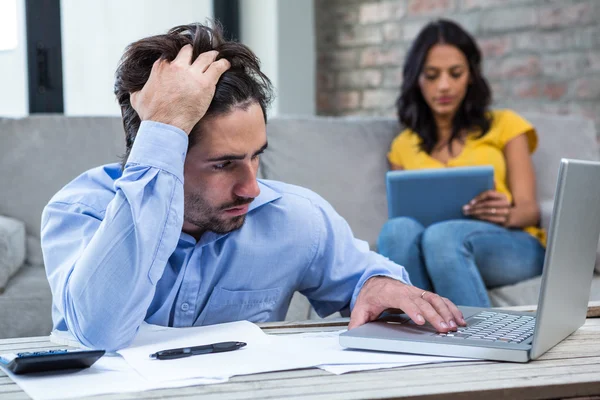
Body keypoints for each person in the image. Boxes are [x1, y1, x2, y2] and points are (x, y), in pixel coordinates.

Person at [41, 23, 465, 351]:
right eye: (223, 164)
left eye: (256, 156)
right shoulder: (80, 213)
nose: (251, 188)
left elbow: (366, 280)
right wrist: (164, 128)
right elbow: (97, 333)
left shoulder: (297, 219)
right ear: (159, 149)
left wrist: (376, 284)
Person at [377, 19, 546, 308]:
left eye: (455, 74)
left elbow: (530, 210)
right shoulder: (402, 146)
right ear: (416, 79)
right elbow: (404, 215)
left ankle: (480, 344)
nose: (444, 85)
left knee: (442, 237)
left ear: (471, 75)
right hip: (434, 248)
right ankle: (414, 338)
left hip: (510, 244)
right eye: (431, 75)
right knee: (396, 230)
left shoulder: (506, 125)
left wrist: (504, 214)